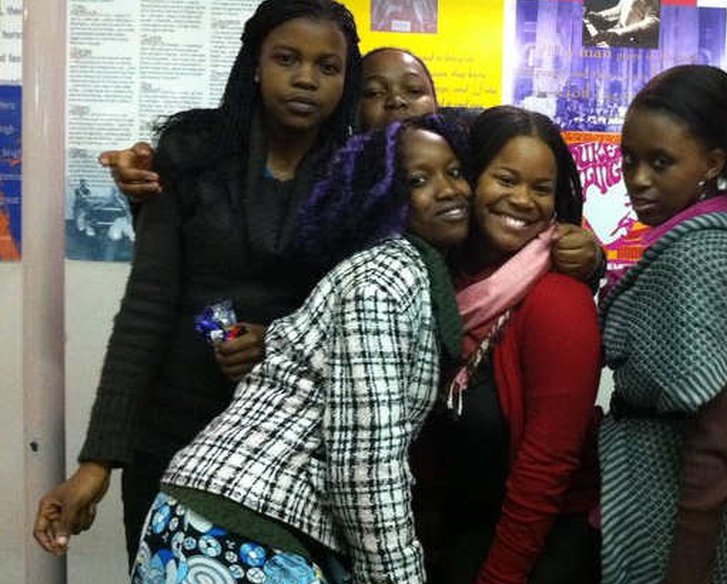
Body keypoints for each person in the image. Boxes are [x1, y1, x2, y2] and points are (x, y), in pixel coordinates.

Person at [33, 0, 363, 563]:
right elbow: (147, 307)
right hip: (172, 430)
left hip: (287, 453)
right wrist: (98, 461)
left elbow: (357, 320)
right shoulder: (192, 151)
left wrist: (281, 341)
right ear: (255, 63)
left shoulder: (357, 178)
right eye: (287, 58)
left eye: (327, 67)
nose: (306, 78)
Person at [131, 114, 472, 584]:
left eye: (455, 172)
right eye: (418, 180)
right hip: (239, 536)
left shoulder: (411, 274)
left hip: (217, 520)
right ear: (382, 196)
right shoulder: (386, 279)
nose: (450, 189)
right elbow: (365, 464)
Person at [100, 46, 605, 284]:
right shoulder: (326, 186)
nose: (395, 103)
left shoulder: (465, 175)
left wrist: (591, 254)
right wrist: (143, 188)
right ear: (349, 109)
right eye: (373, 92)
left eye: (413, 91)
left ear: (437, 104)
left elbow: (529, 209)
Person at [413, 105, 602, 584]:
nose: (522, 200)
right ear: (470, 179)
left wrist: (499, 578)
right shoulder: (436, 283)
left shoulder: (559, 300)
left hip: (531, 551)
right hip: (450, 541)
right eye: (505, 179)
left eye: (541, 189)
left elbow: (547, 469)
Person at [598, 65, 727, 584]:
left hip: (675, 504)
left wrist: (687, 567)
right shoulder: (709, 235)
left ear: (711, 162)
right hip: (663, 485)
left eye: (661, 162)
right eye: (628, 159)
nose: (638, 178)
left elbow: (710, 437)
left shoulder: (695, 256)